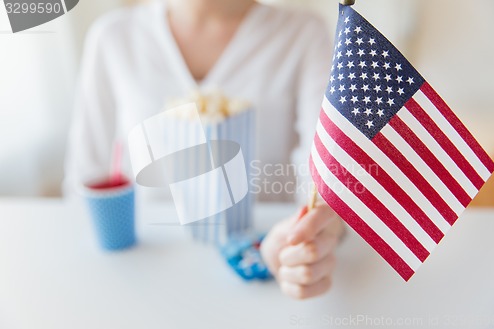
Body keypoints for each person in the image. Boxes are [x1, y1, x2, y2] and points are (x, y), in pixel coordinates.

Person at [64, 0, 345, 299]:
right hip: (141, 276)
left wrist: (305, 240)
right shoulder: (113, 37)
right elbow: (84, 179)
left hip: (264, 278)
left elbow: (325, 184)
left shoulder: (303, 34)